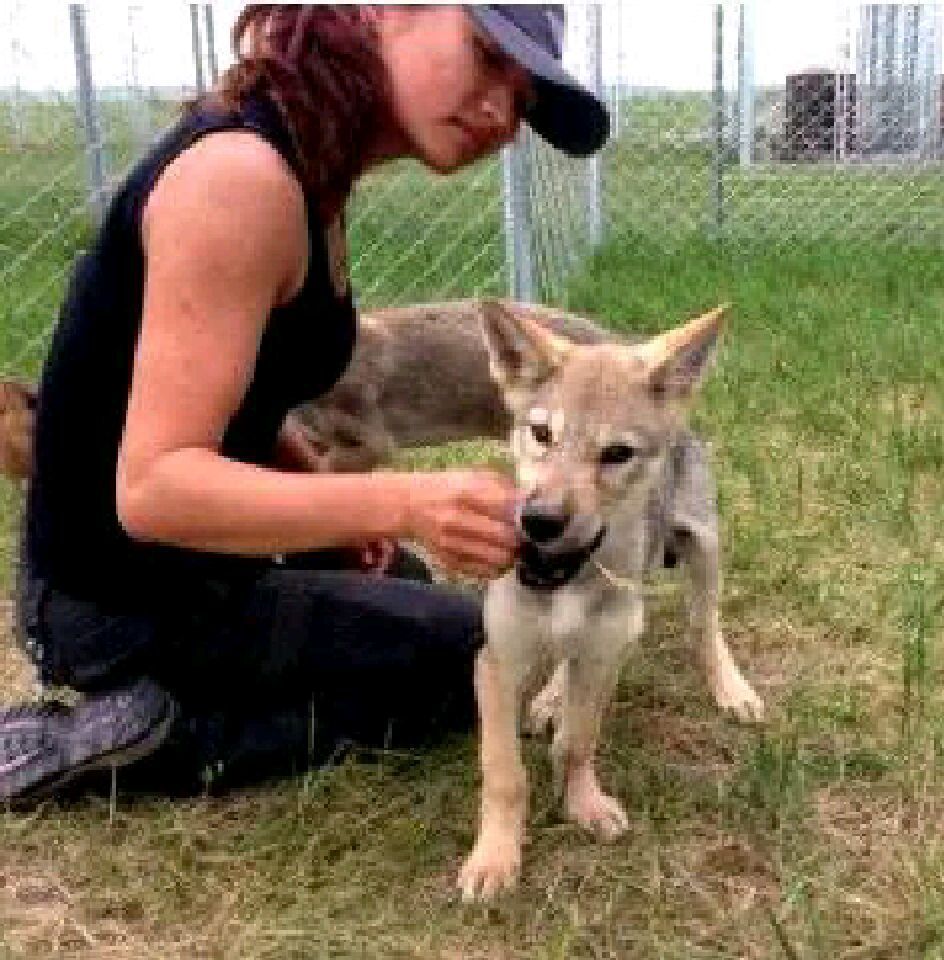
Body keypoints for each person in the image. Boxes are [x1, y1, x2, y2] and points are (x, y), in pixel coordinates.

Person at [0, 5, 609, 804]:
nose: (501, 111)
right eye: (487, 55)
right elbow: (152, 488)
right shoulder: (242, 180)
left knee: (409, 584)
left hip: (185, 562)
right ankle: (140, 730)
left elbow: (244, 387)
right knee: (470, 657)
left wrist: (326, 499)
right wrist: (402, 501)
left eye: (524, 101)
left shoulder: (310, 158)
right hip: (115, 603)